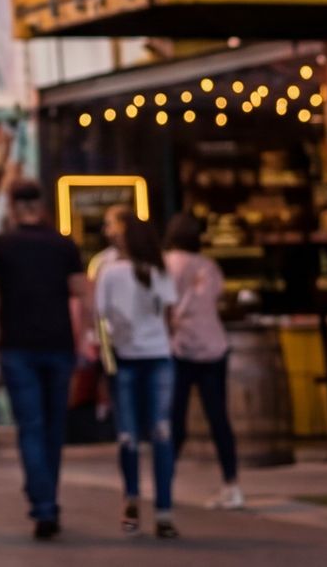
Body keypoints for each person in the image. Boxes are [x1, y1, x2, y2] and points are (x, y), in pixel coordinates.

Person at [0, 176, 90, 541]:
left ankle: (43, 506)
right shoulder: (63, 245)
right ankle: (48, 500)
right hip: (59, 346)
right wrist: (89, 336)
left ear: (12, 207)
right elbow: (82, 294)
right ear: (42, 206)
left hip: (17, 348)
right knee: (55, 428)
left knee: (31, 426)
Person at [96, 213, 180, 539]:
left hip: (126, 359)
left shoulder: (109, 272)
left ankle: (131, 501)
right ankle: (164, 510)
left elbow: (100, 321)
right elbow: (170, 316)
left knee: (128, 436)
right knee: (161, 433)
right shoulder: (159, 271)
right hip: (159, 357)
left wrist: (106, 362)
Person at [162, 213, 241, 510]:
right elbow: (215, 297)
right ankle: (231, 484)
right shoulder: (208, 266)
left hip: (179, 346)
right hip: (213, 346)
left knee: (175, 420)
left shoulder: (165, 264)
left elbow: (163, 305)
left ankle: (164, 482)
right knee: (218, 417)